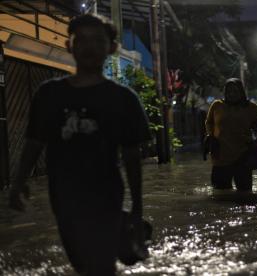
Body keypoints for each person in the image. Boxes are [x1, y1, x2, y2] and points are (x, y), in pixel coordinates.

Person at [8, 14, 151, 275]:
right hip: (63, 197)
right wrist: (18, 181)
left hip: (106, 194)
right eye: (81, 40)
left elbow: (132, 157)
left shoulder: (123, 99)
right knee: (81, 263)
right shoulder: (49, 94)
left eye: (98, 40)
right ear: (68, 45)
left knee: (99, 265)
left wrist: (138, 209)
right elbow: (34, 141)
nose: (89, 47)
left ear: (111, 48)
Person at [205, 78, 257, 192]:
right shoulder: (217, 105)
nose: (231, 94)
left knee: (244, 193)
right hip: (220, 156)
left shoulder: (250, 107)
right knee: (220, 194)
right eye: (228, 91)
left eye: (235, 91)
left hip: (243, 156)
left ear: (241, 92)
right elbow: (209, 122)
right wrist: (210, 136)